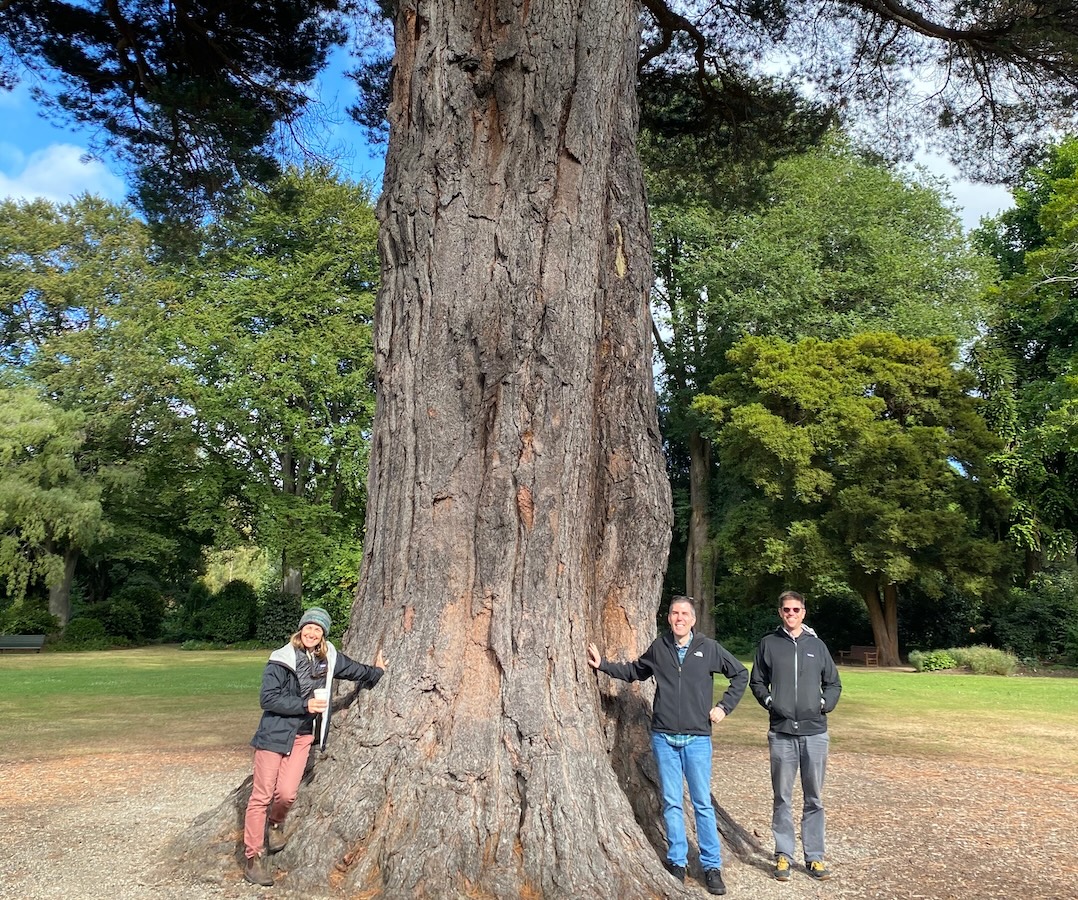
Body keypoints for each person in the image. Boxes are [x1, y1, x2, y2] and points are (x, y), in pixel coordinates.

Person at [588, 596, 748, 896]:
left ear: (693, 619)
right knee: (672, 802)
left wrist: (723, 708)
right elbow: (635, 671)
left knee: (701, 804)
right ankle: (677, 863)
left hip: (698, 738)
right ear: (669, 618)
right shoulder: (659, 648)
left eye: (685, 613)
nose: (679, 618)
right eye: (675, 613)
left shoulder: (708, 648)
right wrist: (603, 666)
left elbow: (741, 674)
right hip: (664, 737)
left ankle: (711, 866)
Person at [242, 606, 386, 887]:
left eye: (317, 629)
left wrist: (377, 671)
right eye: (308, 627)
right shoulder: (281, 659)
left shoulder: (329, 657)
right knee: (261, 795)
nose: (311, 632)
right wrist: (304, 705)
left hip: (304, 735)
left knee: (286, 794)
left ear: (323, 635)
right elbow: (267, 699)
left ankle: (275, 824)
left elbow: (357, 671)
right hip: (274, 733)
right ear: (300, 630)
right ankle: (253, 858)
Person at [749, 590, 842, 882]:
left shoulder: (817, 645)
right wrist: (769, 702)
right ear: (780, 613)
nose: (791, 614)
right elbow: (757, 681)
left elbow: (834, 683)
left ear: (804, 612)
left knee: (814, 797)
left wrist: (824, 704)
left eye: (796, 610)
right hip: (782, 732)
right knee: (783, 797)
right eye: (786, 610)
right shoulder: (769, 644)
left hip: (815, 732)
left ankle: (814, 857)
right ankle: (783, 856)